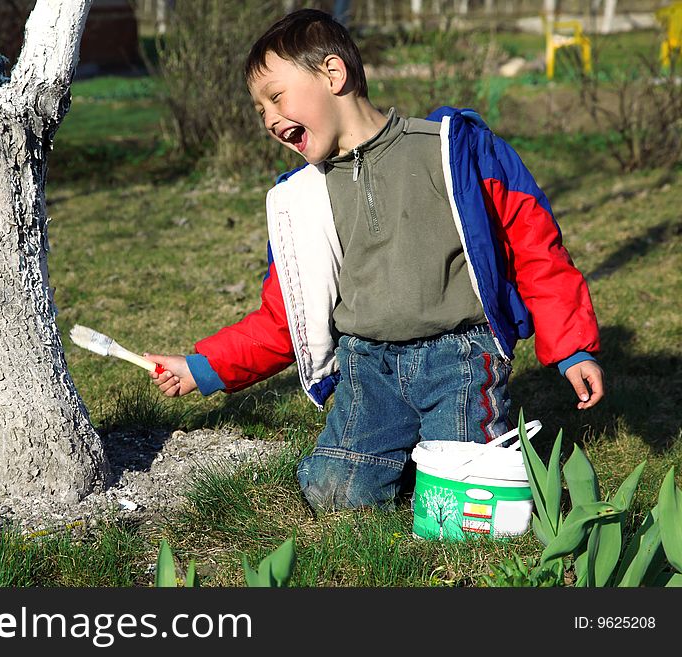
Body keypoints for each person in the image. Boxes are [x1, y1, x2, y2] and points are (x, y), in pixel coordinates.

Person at [144, 8, 604, 511]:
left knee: (461, 502)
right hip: (368, 367)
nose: (271, 119)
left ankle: (436, 453)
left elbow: (538, 251)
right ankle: (395, 454)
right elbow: (285, 318)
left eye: (276, 97)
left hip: (459, 359)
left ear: (333, 74)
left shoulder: (452, 151)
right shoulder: (303, 202)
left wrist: (572, 348)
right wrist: (202, 367)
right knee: (335, 495)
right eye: (260, 111)